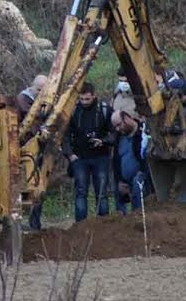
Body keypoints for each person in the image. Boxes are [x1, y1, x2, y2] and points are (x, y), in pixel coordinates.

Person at [62, 83, 113, 222]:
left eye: (87, 99)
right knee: (80, 192)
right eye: (81, 99)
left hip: (100, 156)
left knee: (102, 192)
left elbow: (114, 132)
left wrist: (103, 141)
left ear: (94, 96)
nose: (84, 102)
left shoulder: (104, 110)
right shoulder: (73, 111)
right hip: (79, 157)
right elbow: (64, 135)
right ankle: (80, 225)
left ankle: (104, 223)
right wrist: (70, 154)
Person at [14, 74, 48, 230]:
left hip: (38, 149)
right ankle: (17, 222)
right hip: (24, 150)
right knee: (21, 186)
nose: (41, 93)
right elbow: (33, 117)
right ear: (32, 86)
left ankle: (35, 222)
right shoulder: (23, 100)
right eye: (39, 90)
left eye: (44, 90)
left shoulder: (45, 101)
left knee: (38, 186)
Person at [111, 109, 151, 214]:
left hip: (141, 176)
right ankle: (121, 218)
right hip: (124, 179)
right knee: (116, 186)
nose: (118, 129)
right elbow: (116, 160)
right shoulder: (119, 137)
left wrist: (141, 171)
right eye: (115, 127)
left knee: (138, 182)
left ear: (127, 118)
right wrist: (120, 180)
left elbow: (146, 158)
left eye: (119, 125)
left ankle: (137, 215)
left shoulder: (143, 132)